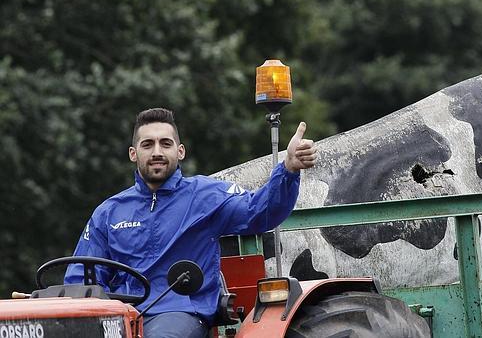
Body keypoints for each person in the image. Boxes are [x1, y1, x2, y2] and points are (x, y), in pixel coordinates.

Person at [64, 108, 316, 337]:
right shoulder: (109, 212)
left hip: (180, 312)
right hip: (119, 317)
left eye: (165, 143)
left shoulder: (207, 196)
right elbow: (81, 278)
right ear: (133, 153)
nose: (157, 152)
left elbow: (260, 212)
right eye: (147, 144)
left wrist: (288, 169)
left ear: (180, 151)